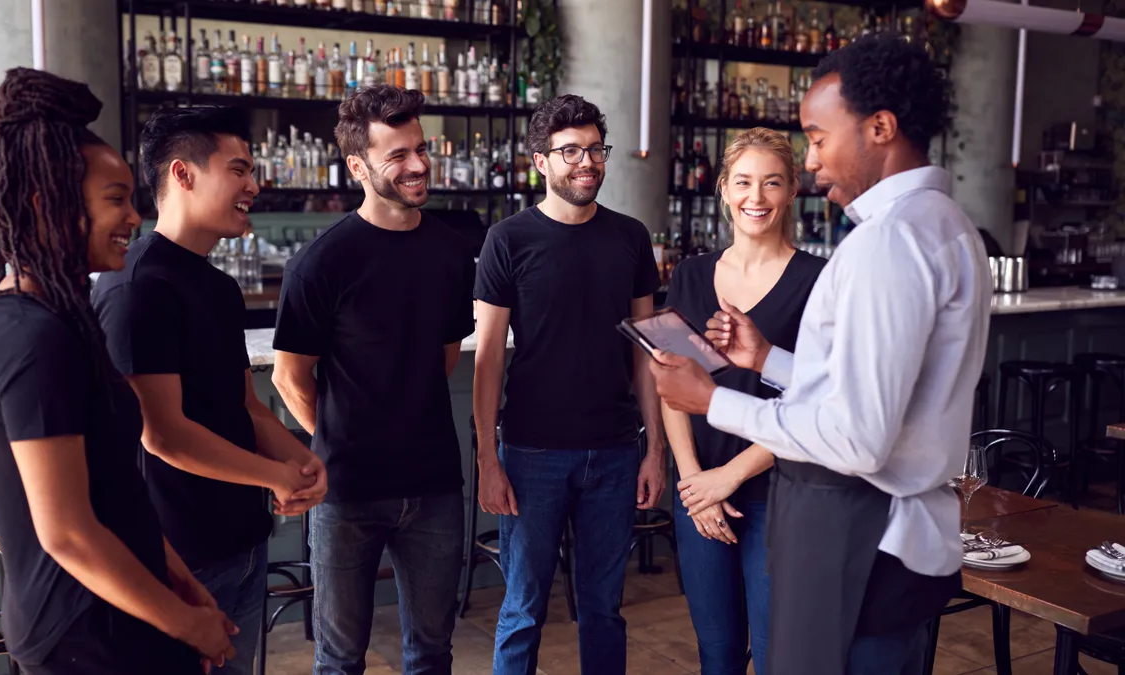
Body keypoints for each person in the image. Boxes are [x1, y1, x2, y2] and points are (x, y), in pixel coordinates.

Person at [649, 36, 991, 675]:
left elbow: (858, 436)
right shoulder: (945, 223)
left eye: (818, 137)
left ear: (880, 128)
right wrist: (770, 361)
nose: (812, 162)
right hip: (899, 537)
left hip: (862, 537)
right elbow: (873, 385)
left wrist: (714, 400)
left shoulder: (886, 243)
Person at [0, 68, 236, 674]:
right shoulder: (29, 336)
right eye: (115, 199)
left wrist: (181, 582)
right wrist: (185, 622)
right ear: (47, 203)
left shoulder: (60, 317)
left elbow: (115, 490)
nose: (135, 217)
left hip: (122, 614)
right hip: (84, 633)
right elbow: (68, 533)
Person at [92, 106, 328, 675]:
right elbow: (163, 435)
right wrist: (274, 476)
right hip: (177, 556)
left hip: (242, 541)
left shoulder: (219, 288)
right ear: (183, 174)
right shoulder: (138, 286)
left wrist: (304, 460)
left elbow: (243, 407)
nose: (253, 185)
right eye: (239, 169)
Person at [271, 84, 474, 675]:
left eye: (420, 148)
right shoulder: (322, 262)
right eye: (397, 155)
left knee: (433, 652)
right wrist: (343, 436)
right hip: (348, 490)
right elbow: (289, 379)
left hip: (435, 481)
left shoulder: (450, 250)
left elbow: (445, 354)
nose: (417, 165)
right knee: (339, 659)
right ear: (357, 166)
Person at [473, 94, 665, 675]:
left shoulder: (631, 238)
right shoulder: (507, 240)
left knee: (605, 608)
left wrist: (654, 449)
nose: (587, 162)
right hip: (532, 452)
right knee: (523, 609)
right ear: (541, 161)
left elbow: (647, 351)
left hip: (614, 449)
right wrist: (487, 458)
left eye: (595, 149)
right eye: (571, 151)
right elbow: (487, 361)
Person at [663, 128, 826, 675]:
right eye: (745, 183)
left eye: (772, 183)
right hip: (697, 493)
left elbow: (817, 401)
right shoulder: (689, 275)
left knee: (780, 651)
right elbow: (671, 384)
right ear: (724, 190)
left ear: (793, 190)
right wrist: (694, 483)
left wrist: (729, 476)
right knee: (718, 653)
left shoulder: (818, 281)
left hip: (779, 493)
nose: (757, 197)